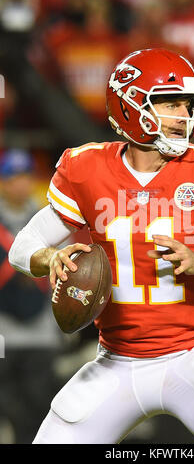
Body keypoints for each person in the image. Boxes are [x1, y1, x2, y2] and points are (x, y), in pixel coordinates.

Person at [8, 48, 194, 445]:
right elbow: (20, 248)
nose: (185, 117)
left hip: (193, 356)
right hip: (115, 360)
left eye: (188, 105)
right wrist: (50, 257)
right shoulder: (86, 169)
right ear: (133, 107)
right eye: (171, 104)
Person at [0, 148, 63, 443]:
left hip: (40, 333)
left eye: (26, 176)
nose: (20, 184)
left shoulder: (49, 221)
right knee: (6, 403)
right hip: (3, 333)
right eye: (13, 177)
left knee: (39, 407)